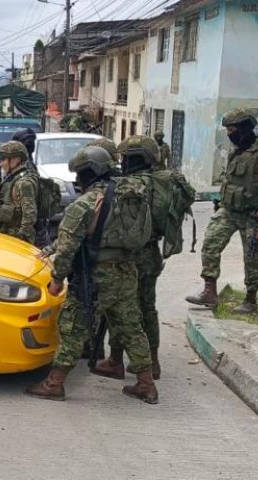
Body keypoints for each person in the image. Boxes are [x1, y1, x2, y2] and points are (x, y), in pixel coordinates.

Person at [25, 146, 157, 404]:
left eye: (80, 174)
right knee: (131, 328)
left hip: (94, 277)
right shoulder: (131, 197)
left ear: (90, 172)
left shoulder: (85, 204)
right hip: (126, 273)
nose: (76, 180)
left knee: (73, 326)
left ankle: (54, 383)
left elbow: (66, 249)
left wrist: (56, 279)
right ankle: (146, 384)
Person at [186, 108, 258, 313]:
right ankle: (209, 291)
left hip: (253, 214)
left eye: (232, 129)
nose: (229, 134)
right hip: (228, 211)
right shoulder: (237, 151)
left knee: (251, 257)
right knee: (210, 245)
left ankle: (250, 300)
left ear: (243, 129)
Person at [91, 135, 164, 381]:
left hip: (131, 256)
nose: (122, 161)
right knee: (147, 307)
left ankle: (115, 359)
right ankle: (152, 362)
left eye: (126, 157)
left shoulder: (133, 185)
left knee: (123, 310)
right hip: (151, 254)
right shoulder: (157, 183)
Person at [0, 141, 38, 244]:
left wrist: (22, 241)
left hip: (15, 241)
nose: (0, 164)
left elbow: (29, 217)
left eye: (3, 159)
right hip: (5, 238)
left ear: (16, 159)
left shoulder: (23, 183)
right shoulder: (11, 179)